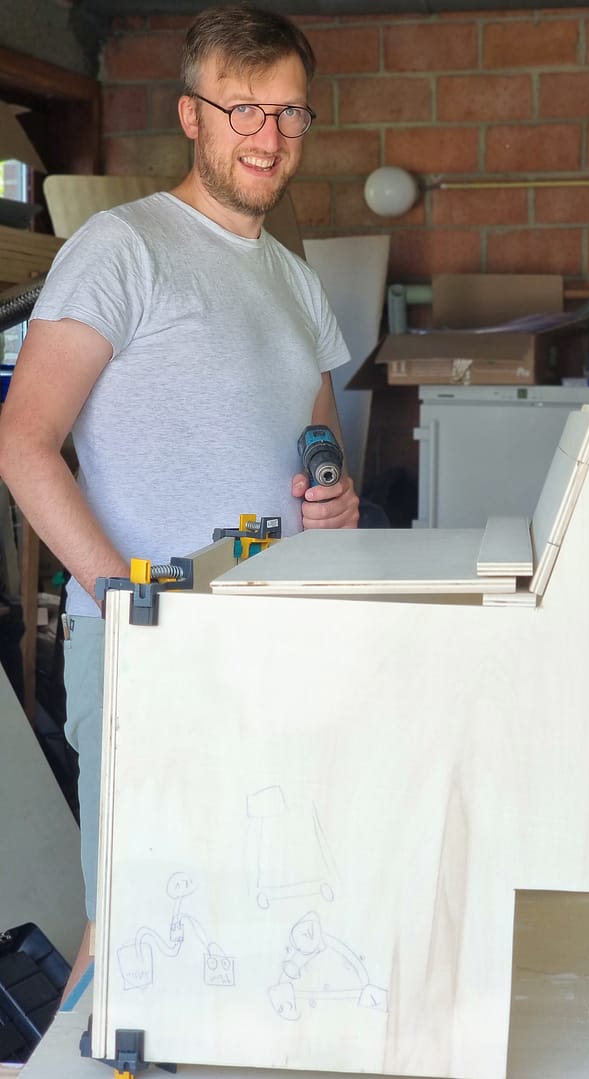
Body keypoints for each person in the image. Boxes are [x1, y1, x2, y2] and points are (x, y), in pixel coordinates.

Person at [0, 2, 359, 993]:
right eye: (243, 109)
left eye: (288, 112)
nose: (268, 136)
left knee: (253, 919)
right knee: (138, 925)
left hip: (274, 641)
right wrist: (124, 601)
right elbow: (23, 442)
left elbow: (319, 443)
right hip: (152, 644)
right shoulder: (124, 247)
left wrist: (333, 501)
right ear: (191, 115)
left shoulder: (294, 280)